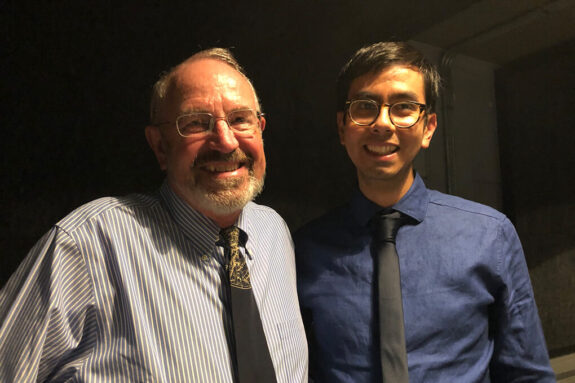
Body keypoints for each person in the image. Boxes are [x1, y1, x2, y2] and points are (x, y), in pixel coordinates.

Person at [0, 48, 308, 382]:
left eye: (240, 120)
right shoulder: (87, 245)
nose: (224, 140)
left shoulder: (274, 232)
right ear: (160, 146)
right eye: (195, 123)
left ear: (260, 129)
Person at [295, 41, 554, 382]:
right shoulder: (303, 251)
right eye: (365, 106)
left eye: (402, 107)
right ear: (343, 127)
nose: (382, 123)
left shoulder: (490, 235)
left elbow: (527, 374)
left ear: (429, 127)